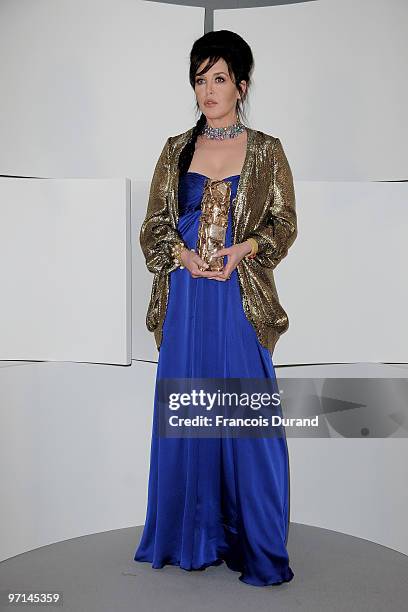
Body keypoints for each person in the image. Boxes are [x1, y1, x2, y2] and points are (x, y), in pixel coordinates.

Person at [134, 30, 297, 587]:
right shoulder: (176, 148)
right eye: (200, 79)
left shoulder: (268, 150)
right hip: (186, 296)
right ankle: (191, 536)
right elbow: (153, 224)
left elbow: (283, 225)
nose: (207, 89)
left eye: (219, 78)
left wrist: (243, 250)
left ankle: (254, 541)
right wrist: (179, 253)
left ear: (241, 85)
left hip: (237, 292)